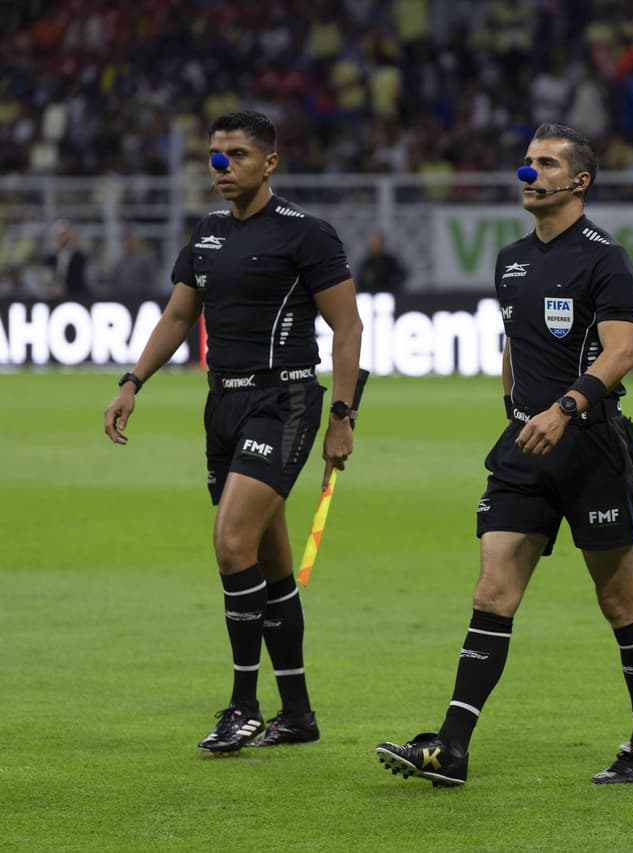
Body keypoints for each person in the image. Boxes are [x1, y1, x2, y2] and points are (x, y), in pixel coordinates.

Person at [374, 122, 633, 787]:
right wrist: (517, 415)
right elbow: (513, 343)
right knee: (492, 591)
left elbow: (621, 353)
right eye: (527, 161)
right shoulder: (510, 259)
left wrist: (564, 409)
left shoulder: (605, 259)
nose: (528, 173)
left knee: (619, 599)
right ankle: (451, 746)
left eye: (546, 164)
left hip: (591, 447)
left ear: (579, 181)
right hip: (525, 448)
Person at [102, 110, 364, 755]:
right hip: (222, 404)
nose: (222, 166)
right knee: (271, 562)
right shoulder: (207, 233)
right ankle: (298, 714)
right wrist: (133, 381)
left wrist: (343, 416)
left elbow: (348, 327)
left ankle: (244, 706)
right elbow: (177, 317)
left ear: (269, 163)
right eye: (215, 155)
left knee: (230, 543)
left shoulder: (306, 233)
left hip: (285, 401)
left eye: (237, 155)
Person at [104, 230, 163, 296]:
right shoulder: (119, 262)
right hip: (123, 297)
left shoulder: (146, 260)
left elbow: (153, 281)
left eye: (131, 240)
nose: (128, 243)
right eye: (125, 241)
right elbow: (112, 282)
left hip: (142, 297)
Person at [45, 218, 90, 297]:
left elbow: (79, 278)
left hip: (74, 294)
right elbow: (48, 274)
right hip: (54, 295)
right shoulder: (51, 255)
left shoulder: (78, 256)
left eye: (65, 234)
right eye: (60, 234)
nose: (62, 237)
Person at [354, 231, 407, 295]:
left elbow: (401, 276)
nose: (375, 246)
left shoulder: (391, 262)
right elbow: (360, 281)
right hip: (370, 295)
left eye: (378, 243)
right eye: (373, 244)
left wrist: (393, 286)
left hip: (387, 294)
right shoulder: (366, 263)